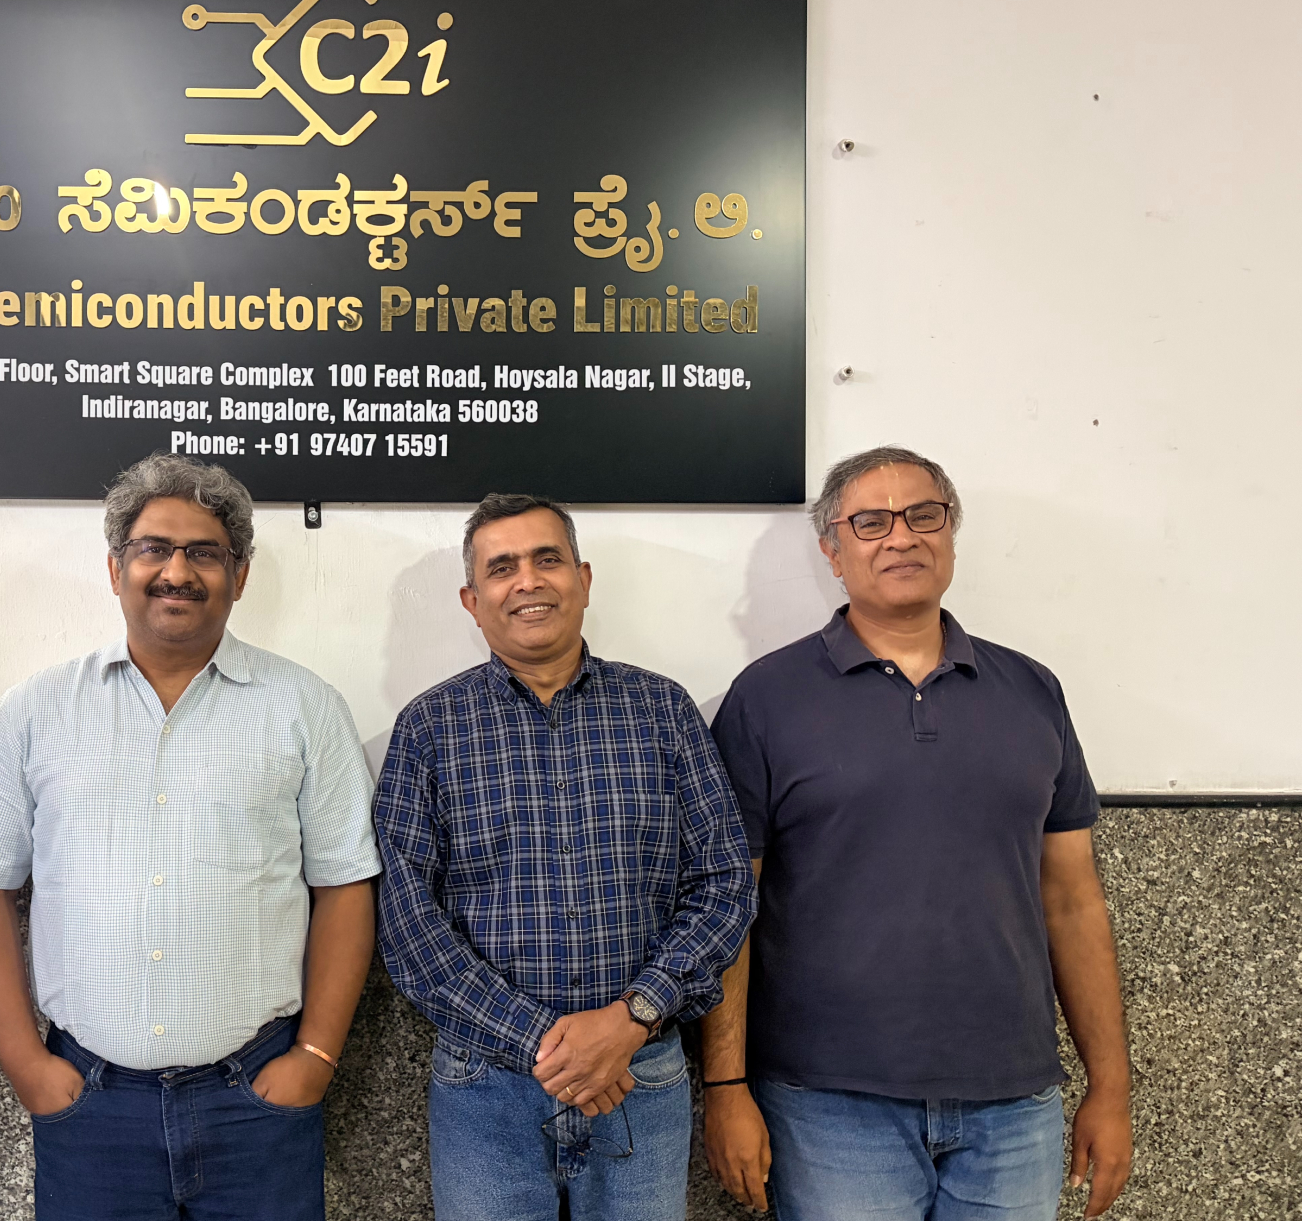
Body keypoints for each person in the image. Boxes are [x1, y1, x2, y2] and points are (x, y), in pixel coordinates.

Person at [0, 453, 381, 1221]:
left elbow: (345, 885)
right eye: (154, 549)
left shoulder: (306, 708)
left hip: (257, 1100)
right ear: (115, 569)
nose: (177, 571)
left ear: (239, 574)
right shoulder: (39, 709)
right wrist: (26, 1064)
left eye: (205, 553)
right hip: (90, 1106)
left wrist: (315, 1057)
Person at [701, 445, 1133, 1221]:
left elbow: (1073, 901)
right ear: (833, 551)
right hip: (828, 1106)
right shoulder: (765, 699)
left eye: (923, 515)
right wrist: (726, 1086)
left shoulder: (1032, 691)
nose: (901, 536)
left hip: (1016, 1104)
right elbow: (730, 909)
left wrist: (1111, 1086)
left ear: (951, 535)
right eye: (870, 522)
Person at [374, 493, 757, 1221]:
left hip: (641, 1074)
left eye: (547, 559)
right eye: (502, 567)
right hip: (485, 1086)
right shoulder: (429, 728)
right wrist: (548, 1046)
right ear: (472, 600)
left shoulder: (663, 712)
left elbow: (724, 885)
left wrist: (631, 1018)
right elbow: (408, 923)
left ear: (582, 580)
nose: (528, 580)